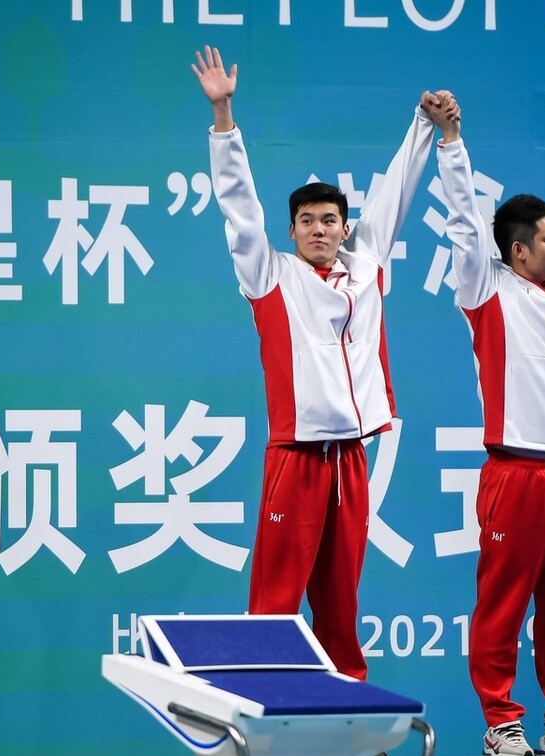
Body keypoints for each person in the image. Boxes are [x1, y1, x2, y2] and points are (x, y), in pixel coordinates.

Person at [191, 46, 451, 681]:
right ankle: (255, 718)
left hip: (351, 462)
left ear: (343, 227)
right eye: (305, 222)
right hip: (298, 459)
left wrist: (424, 125)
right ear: (291, 232)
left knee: (340, 606)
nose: (318, 230)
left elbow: (394, 196)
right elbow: (239, 209)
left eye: (329, 221)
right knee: (276, 604)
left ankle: (348, 717)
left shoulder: (366, 268)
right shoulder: (271, 277)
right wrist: (224, 115)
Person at [422, 94, 545, 756]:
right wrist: (451, 140)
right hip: (516, 473)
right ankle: (501, 723)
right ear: (515, 250)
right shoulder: (487, 291)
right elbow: (461, 220)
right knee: (504, 607)